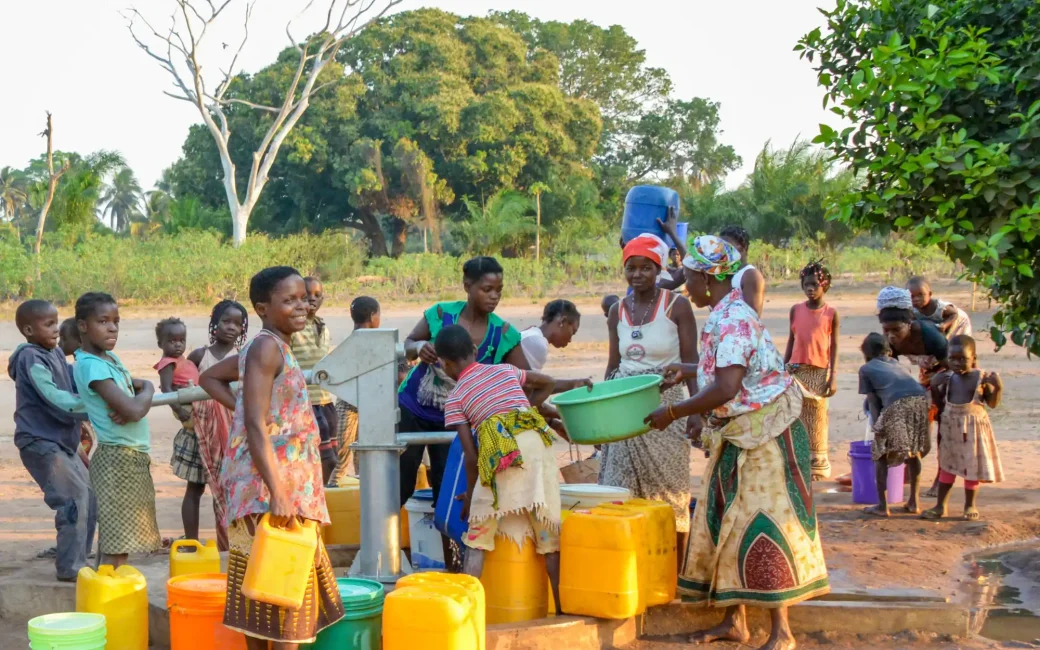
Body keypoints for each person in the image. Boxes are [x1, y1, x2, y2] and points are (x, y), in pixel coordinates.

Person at [646, 235, 829, 650]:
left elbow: (727, 386)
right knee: (725, 517)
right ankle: (735, 621)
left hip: (766, 432)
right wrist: (687, 367)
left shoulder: (729, 319)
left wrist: (674, 412)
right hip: (745, 427)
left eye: (688, 277)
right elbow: (734, 369)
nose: (683, 285)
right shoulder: (727, 312)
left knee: (761, 521)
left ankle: (782, 632)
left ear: (708, 278)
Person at [198, 266, 344, 648]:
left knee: (265, 599)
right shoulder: (265, 348)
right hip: (272, 489)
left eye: (304, 299)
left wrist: (251, 412)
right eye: (289, 300)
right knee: (284, 601)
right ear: (262, 307)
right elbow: (254, 422)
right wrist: (279, 492)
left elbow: (211, 379)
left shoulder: (268, 346)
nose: (303, 307)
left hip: (271, 485)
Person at [436, 325, 591, 613]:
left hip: (502, 450)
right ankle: (561, 610)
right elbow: (545, 382)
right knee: (547, 534)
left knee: (478, 536)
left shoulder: (456, 398)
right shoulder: (505, 371)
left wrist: (471, 497)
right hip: (536, 443)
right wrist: (524, 409)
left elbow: (471, 457)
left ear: (445, 365)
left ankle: (467, 613)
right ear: (475, 351)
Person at [398, 256, 530, 510]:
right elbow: (407, 345)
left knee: (447, 491)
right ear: (467, 285)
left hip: (457, 420)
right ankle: (384, 544)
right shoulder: (440, 314)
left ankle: (449, 549)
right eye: (486, 289)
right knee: (400, 483)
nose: (494, 296)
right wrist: (418, 347)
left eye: (499, 291)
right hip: (412, 410)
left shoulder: (503, 333)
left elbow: (524, 379)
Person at [602, 233, 699, 553]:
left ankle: (673, 570)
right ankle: (631, 564)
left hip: (667, 405)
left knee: (670, 490)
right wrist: (603, 414)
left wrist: (695, 411)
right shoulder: (617, 310)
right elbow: (613, 364)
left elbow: (692, 363)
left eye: (646, 268)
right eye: (631, 268)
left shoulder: (678, 306)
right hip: (626, 407)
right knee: (620, 491)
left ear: (659, 270)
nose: (638, 275)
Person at [9, 300, 96, 582]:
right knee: (73, 499)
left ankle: (78, 557)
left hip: (62, 441)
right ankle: (71, 568)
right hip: (40, 442)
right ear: (28, 330)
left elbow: (74, 383)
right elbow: (56, 398)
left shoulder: (56, 354)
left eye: (56, 323)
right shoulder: (31, 359)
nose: (56, 330)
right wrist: (98, 408)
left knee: (90, 496)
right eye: (48, 325)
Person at [73, 292, 160, 569]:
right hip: (117, 460)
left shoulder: (109, 359)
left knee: (114, 541)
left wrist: (138, 394)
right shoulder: (90, 365)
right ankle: (110, 606)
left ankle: (103, 599)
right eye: (103, 321)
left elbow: (134, 395)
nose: (112, 328)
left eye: (116, 321)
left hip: (128, 457)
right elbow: (134, 409)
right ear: (83, 326)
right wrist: (144, 394)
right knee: (117, 548)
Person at [876, 286, 950, 497]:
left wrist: (935, 399)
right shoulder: (889, 339)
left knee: (944, 429)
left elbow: (951, 369)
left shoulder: (931, 336)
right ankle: (907, 470)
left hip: (947, 373)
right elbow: (891, 370)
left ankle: (941, 477)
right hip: (927, 374)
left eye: (896, 331)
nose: (890, 336)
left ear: (909, 324)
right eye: (886, 330)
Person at [188, 300, 248, 551]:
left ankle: (230, 544)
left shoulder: (243, 357)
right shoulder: (200, 356)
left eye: (237, 323)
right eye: (226, 321)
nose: (231, 328)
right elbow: (181, 388)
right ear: (214, 323)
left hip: (234, 432)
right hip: (202, 433)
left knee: (231, 487)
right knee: (195, 486)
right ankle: (190, 542)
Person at [923, 335, 1004, 521]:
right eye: (952, 358)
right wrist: (935, 386)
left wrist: (998, 388)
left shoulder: (981, 378)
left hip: (974, 432)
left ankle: (969, 505)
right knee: (946, 468)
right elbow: (940, 406)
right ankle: (940, 506)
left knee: (971, 469)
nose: (957, 363)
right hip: (951, 430)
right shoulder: (947, 378)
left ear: (973, 358)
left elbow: (992, 404)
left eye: (963, 359)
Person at [858, 333, 929, 517]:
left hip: (897, 405)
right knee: (913, 451)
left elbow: (873, 402)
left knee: (880, 452)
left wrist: (876, 428)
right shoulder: (899, 364)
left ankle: (882, 506)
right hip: (921, 402)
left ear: (865, 353)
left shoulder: (866, 369)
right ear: (888, 351)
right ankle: (914, 501)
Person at [783, 260, 840, 480]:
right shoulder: (795, 310)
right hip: (796, 369)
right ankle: (797, 461)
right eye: (806, 284)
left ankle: (817, 466)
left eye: (815, 285)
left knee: (816, 418)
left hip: (817, 370)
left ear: (824, 285)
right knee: (795, 415)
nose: (810, 289)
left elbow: (833, 345)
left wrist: (832, 376)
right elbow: (791, 339)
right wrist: (783, 367)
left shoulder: (830, 313)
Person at [155, 317, 206, 542]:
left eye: (181, 340)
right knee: (195, 488)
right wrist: (179, 409)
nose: (177, 345)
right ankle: (191, 538)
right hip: (189, 413)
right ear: (161, 343)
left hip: (196, 406)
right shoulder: (167, 363)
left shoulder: (183, 359)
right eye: (172, 340)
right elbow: (166, 390)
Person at [327, 296, 382, 487]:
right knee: (354, 458)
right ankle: (344, 492)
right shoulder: (376, 342)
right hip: (359, 406)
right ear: (373, 316)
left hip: (349, 404)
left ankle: (351, 493)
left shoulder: (349, 341)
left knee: (347, 458)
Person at [290, 276, 338, 484]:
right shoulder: (294, 328)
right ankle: (316, 496)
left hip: (326, 400)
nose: (312, 299)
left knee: (329, 456)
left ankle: (319, 495)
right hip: (307, 401)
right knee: (326, 458)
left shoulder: (322, 327)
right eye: (307, 295)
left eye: (317, 295)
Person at [59, 317, 95, 467]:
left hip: (82, 422)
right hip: (89, 420)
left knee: (81, 460)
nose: (59, 344)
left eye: (63, 339)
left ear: (80, 342)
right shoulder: (92, 363)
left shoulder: (77, 367)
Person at [520, 299, 581, 371]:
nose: (570, 340)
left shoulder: (532, 334)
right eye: (573, 332)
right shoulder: (537, 342)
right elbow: (527, 381)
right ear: (563, 321)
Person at [719, 225, 765, 316]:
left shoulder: (750, 275)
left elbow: (753, 316)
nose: (722, 250)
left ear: (742, 247)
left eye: (727, 246)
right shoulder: (722, 273)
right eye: (721, 246)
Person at [908, 276, 973, 338]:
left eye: (920, 295)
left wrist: (945, 324)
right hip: (940, 325)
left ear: (930, 294)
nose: (916, 299)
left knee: (959, 344)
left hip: (959, 320)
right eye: (912, 296)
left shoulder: (938, 307)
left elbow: (954, 314)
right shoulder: (913, 310)